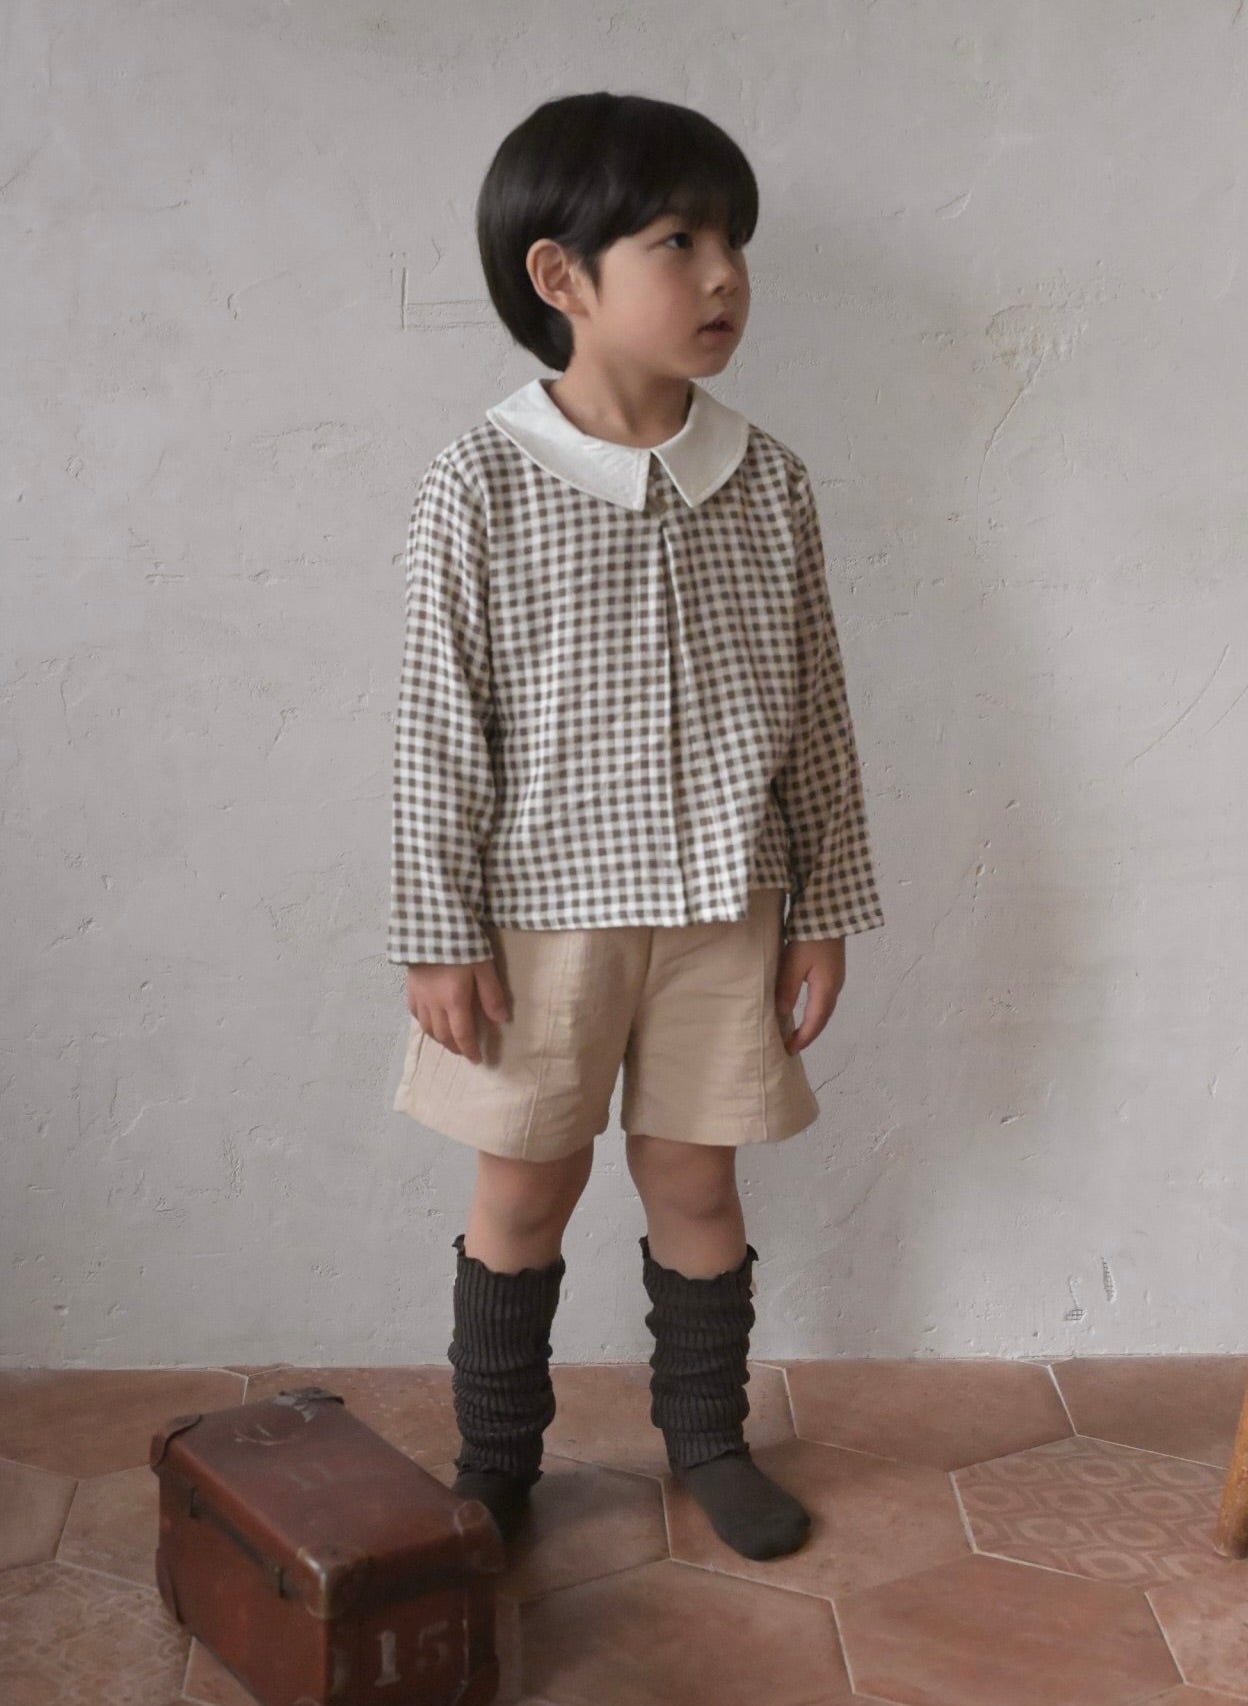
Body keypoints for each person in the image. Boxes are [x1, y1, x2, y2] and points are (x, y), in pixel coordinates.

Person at [387, 92, 886, 1562]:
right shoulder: (482, 479)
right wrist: (435, 931)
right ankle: (495, 1463)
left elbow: (817, 709)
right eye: (679, 241)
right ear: (562, 276)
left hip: (727, 908)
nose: (724, 273)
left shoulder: (767, 481)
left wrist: (822, 907)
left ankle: (708, 1437)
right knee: (525, 1184)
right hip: (537, 922)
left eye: (734, 241)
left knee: (696, 1178)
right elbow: (435, 724)